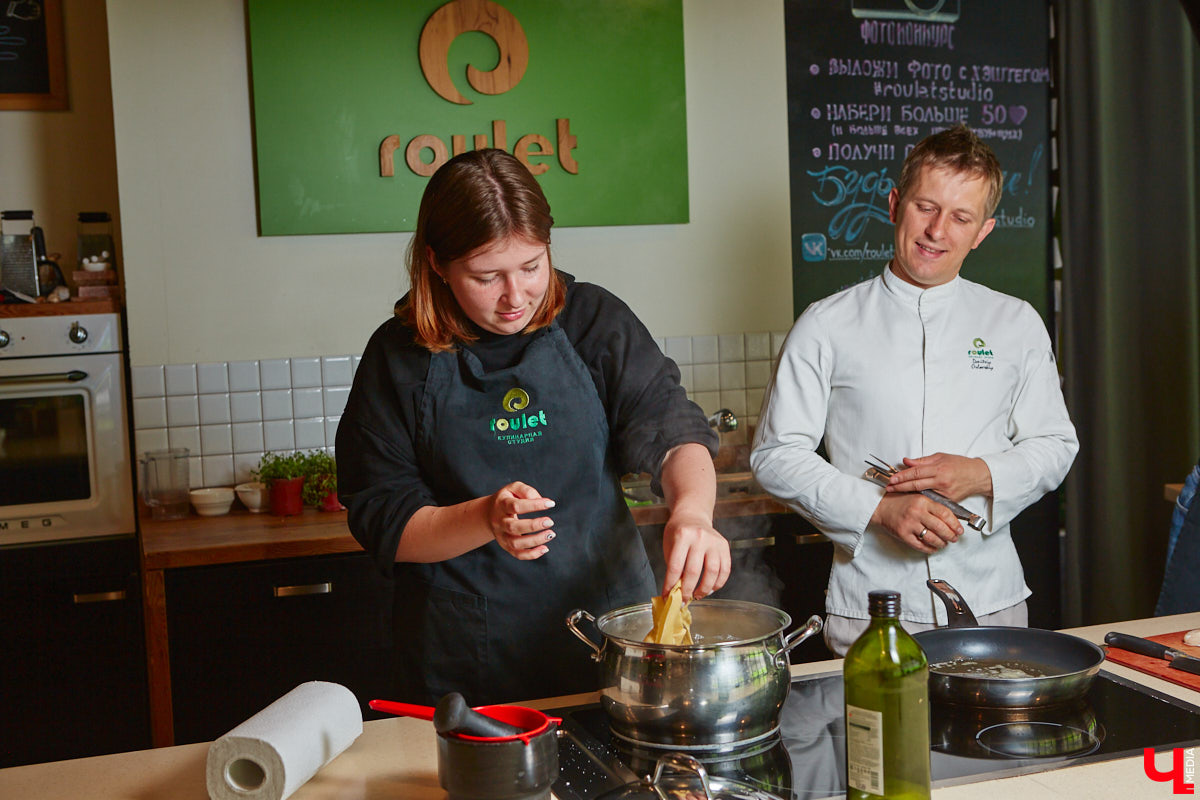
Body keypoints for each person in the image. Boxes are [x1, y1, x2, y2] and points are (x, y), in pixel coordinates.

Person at [336, 148, 731, 705]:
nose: (514, 297)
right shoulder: (397, 357)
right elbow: (383, 516)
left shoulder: (594, 320)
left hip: (609, 638)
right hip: (465, 662)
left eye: (531, 267)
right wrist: (484, 517)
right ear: (436, 263)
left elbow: (672, 428)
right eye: (485, 276)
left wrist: (692, 513)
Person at [751, 125, 1079, 654]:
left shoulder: (1015, 323)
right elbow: (775, 455)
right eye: (925, 207)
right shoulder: (826, 323)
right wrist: (877, 509)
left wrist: (979, 473)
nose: (937, 230)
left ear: (983, 232)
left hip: (991, 600)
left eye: (960, 217)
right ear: (895, 204)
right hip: (872, 609)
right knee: (874, 738)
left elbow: (1057, 445)